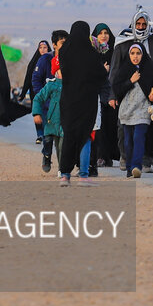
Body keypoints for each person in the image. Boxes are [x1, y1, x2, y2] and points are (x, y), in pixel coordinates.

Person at [57, 20, 111, 188]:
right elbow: (102, 75)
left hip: (68, 101)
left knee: (69, 137)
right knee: (85, 137)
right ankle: (83, 176)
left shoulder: (64, 52)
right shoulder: (91, 54)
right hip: (87, 102)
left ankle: (64, 176)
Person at [110, 43, 153, 178]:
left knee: (138, 137)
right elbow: (117, 88)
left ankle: (136, 166)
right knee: (128, 140)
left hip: (143, 108)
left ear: (143, 55)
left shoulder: (150, 68)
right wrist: (130, 81)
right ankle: (129, 167)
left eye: (138, 53)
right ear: (129, 55)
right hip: (127, 109)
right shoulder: (124, 69)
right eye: (132, 53)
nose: (135, 56)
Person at [91, 22, 116, 174]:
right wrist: (102, 70)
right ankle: (100, 156)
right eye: (100, 33)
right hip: (96, 93)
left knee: (110, 125)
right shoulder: (91, 53)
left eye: (106, 33)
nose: (103, 36)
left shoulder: (114, 52)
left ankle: (109, 156)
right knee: (98, 126)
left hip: (111, 93)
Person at [32, 55, 64, 174]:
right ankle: (46, 157)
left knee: (62, 146)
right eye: (61, 69)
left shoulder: (71, 85)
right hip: (51, 120)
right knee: (48, 141)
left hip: (64, 121)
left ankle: (62, 169)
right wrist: (36, 113)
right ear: (56, 71)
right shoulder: (51, 85)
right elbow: (38, 99)